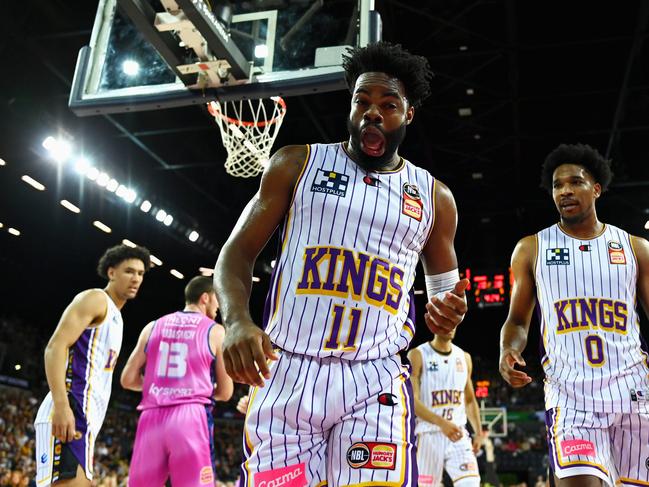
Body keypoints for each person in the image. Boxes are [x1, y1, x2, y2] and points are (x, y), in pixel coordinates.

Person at [214, 41, 470, 486]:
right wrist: (237, 321)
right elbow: (236, 253)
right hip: (289, 367)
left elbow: (446, 296)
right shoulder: (296, 163)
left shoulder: (434, 197)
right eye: (363, 101)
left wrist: (449, 313)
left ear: (408, 115)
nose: (373, 113)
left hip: (376, 375)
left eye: (389, 105)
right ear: (351, 105)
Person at [499, 143, 649, 487]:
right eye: (557, 185)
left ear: (596, 189)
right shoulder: (532, 248)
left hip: (634, 394)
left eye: (575, 182)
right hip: (571, 399)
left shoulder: (635, 248)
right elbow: (519, 320)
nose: (564, 190)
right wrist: (509, 350)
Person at [34, 244, 150, 486]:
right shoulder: (96, 299)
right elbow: (55, 347)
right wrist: (61, 406)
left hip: (85, 421)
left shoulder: (117, 319)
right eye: (129, 271)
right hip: (70, 409)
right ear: (111, 273)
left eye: (140, 273)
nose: (136, 279)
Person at [120, 276, 233, 487]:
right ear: (205, 298)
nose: (219, 306)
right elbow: (226, 392)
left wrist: (161, 388)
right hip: (189, 417)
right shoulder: (215, 331)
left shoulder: (152, 326)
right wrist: (197, 390)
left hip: (151, 417)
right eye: (218, 299)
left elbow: (127, 380)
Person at [408, 328, 483, 486]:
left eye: (454, 321)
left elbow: (469, 400)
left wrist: (478, 432)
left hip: (458, 433)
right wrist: (441, 423)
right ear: (433, 322)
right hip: (428, 434)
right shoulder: (417, 354)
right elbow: (412, 400)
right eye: (445, 319)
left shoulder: (464, 357)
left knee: (470, 483)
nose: (450, 325)